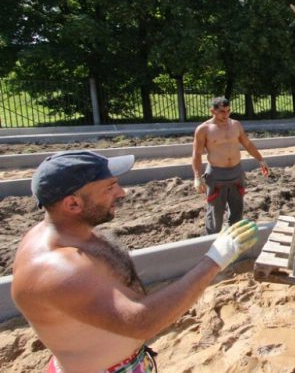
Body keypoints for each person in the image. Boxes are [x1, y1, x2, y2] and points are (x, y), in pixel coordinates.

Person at [11, 150, 258, 373]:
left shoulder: (76, 233)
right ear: (72, 203)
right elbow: (140, 322)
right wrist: (214, 260)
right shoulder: (59, 268)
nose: (122, 192)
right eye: (109, 187)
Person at [193, 97, 269, 234]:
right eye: (222, 111)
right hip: (216, 174)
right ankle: (212, 241)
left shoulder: (236, 125)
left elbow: (247, 144)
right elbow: (197, 154)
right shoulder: (204, 129)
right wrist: (197, 177)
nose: (226, 115)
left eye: (228, 111)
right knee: (215, 211)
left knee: (237, 209)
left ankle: (234, 239)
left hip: (236, 172)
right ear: (212, 111)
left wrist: (261, 160)